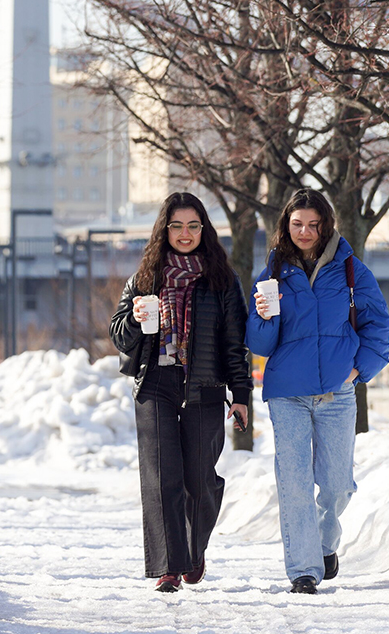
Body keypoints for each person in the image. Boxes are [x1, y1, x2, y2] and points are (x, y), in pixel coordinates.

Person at [245, 188, 389, 595]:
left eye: (313, 224)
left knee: (337, 484)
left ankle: (325, 545)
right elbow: (258, 345)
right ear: (285, 226)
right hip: (287, 393)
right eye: (297, 224)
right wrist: (262, 317)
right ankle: (303, 571)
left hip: (337, 394)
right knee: (294, 483)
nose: (305, 232)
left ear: (326, 225)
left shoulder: (351, 270)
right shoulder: (272, 273)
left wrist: (360, 368)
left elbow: (378, 325)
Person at [109, 192, 252, 593]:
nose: (185, 234)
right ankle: (168, 566)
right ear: (164, 229)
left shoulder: (222, 280)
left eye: (193, 226)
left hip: (205, 386)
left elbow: (234, 344)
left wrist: (240, 394)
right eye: (177, 226)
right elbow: (119, 336)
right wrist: (136, 319)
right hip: (155, 383)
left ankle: (194, 548)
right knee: (161, 478)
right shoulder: (144, 278)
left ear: (203, 230)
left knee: (200, 479)